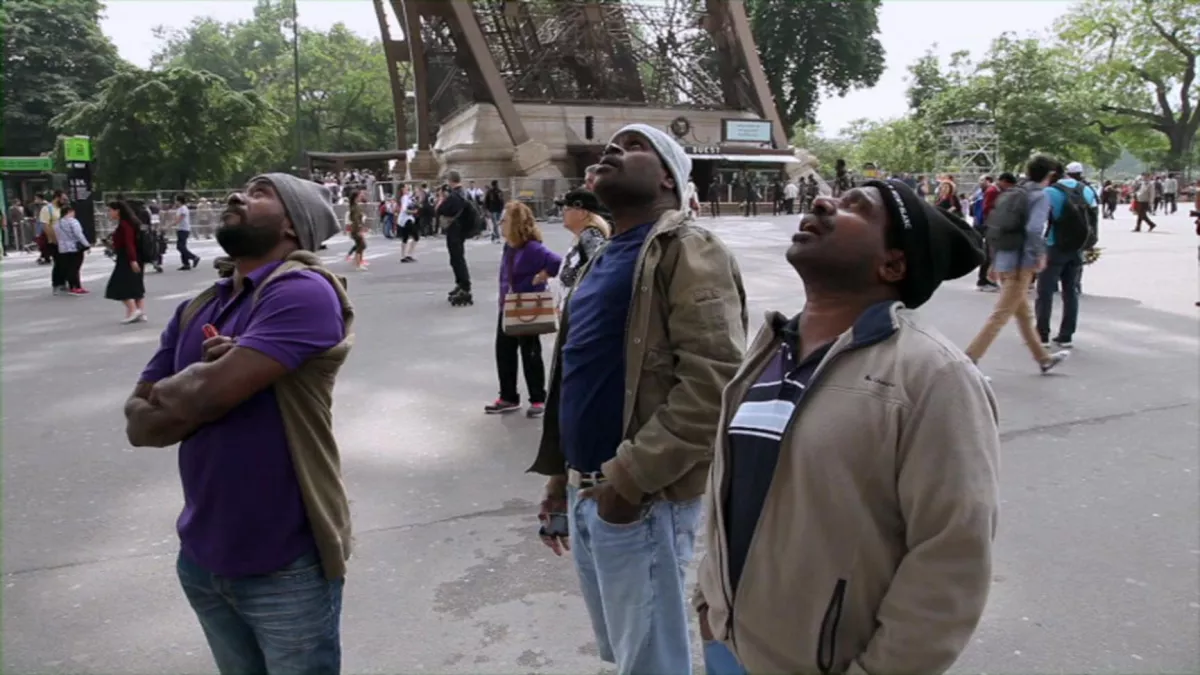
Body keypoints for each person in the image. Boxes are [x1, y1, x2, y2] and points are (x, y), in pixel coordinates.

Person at [694, 178, 998, 675]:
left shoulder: (935, 375)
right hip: (726, 649)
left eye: (857, 207)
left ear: (892, 265)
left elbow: (952, 554)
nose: (821, 202)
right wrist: (708, 603)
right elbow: (733, 490)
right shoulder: (770, 350)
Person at [529, 123, 747, 675]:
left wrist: (628, 484)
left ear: (669, 179)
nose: (613, 151)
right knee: (629, 655)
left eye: (634, 147)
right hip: (590, 489)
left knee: (650, 663)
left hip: (643, 497)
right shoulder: (602, 257)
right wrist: (559, 478)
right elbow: (577, 372)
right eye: (611, 145)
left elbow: (714, 382)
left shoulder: (688, 249)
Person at [124, 173, 351, 675]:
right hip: (201, 556)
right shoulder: (198, 307)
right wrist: (208, 382)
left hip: (286, 562)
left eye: (259, 193)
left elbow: (205, 396)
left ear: (292, 225)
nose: (237, 197)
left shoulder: (304, 291)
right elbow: (139, 427)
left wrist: (187, 392)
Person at [966, 155, 1070, 374]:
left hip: (1005, 258)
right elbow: (1034, 229)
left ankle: (1043, 358)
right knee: (1001, 315)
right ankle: (969, 359)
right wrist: (1039, 254)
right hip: (1021, 264)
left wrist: (995, 261)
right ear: (1050, 174)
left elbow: (997, 227)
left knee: (1023, 315)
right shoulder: (1039, 196)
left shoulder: (1014, 193)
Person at [490, 202, 562, 418]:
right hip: (508, 306)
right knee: (504, 351)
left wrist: (541, 276)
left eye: (504, 220)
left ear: (515, 223)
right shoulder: (510, 246)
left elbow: (556, 262)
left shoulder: (532, 248)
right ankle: (508, 396)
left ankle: (538, 398)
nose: (500, 224)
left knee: (530, 353)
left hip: (527, 307)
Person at [1036, 161, 1097, 348]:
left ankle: (1042, 335)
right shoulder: (1086, 190)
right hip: (1077, 248)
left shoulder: (1049, 192)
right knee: (1071, 292)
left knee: (1045, 292)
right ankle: (1066, 336)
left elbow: (1040, 223)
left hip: (1054, 246)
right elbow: (1093, 219)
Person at [554, 189, 610, 296]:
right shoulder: (585, 236)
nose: (562, 213)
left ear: (582, 213)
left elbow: (603, 274)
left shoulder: (590, 236)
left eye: (566, 209)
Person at [436, 171, 476, 303]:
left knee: (457, 259)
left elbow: (440, 210)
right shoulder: (463, 193)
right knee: (457, 258)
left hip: (455, 230)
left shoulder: (454, 196)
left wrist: (441, 198)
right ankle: (460, 283)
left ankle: (464, 285)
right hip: (462, 230)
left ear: (450, 180)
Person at [105, 201, 148, 323]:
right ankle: (140, 311)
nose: (109, 213)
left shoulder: (125, 224)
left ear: (117, 211)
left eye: (110, 210)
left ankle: (133, 310)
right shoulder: (132, 222)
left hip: (127, 257)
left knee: (119, 285)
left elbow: (129, 243)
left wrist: (132, 259)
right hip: (137, 256)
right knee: (136, 284)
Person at [53, 205, 91, 295]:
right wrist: (87, 244)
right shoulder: (73, 221)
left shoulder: (57, 223)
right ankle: (77, 286)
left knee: (68, 267)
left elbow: (57, 236)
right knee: (75, 267)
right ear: (69, 212)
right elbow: (79, 234)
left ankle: (71, 286)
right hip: (74, 247)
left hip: (63, 248)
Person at [173, 194, 202, 271]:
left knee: (180, 247)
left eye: (176, 200)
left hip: (184, 229)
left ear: (179, 201)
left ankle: (194, 257)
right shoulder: (179, 209)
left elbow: (180, 219)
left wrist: (170, 225)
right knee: (183, 247)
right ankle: (186, 264)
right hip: (180, 229)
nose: (175, 202)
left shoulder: (183, 208)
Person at [396, 185, 419, 262]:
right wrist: (413, 211)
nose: (408, 189)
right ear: (402, 189)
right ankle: (408, 255)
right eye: (406, 188)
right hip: (406, 219)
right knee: (415, 236)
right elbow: (405, 209)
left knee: (405, 237)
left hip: (406, 219)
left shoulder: (407, 196)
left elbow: (414, 195)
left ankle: (405, 256)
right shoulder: (405, 197)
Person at [346, 189, 368, 270]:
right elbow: (356, 220)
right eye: (359, 196)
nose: (360, 197)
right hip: (356, 229)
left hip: (356, 229)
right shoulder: (355, 207)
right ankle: (358, 264)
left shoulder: (354, 206)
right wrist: (359, 229)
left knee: (360, 245)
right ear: (356, 197)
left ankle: (357, 262)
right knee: (361, 245)